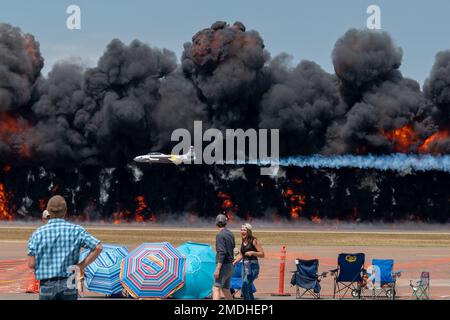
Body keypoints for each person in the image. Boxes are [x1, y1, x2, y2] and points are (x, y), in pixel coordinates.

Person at [27, 195, 103, 300]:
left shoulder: (37, 234)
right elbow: (98, 247)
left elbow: (31, 264)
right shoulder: (77, 230)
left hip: (46, 285)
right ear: (65, 211)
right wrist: (81, 266)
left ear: (48, 212)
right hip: (69, 283)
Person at [233, 223, 264, 300]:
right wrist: (234, 263)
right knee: (249, 288)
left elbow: (262, 254)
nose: (242, 231)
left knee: (245, 286)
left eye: (244, 230)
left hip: (253, 266)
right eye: (241, 230)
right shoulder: (243, 241)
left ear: (249, 231)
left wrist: (252, 252)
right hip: (245, 267)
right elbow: (241, 254)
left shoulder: (254, 241)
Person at [213, 214, 235, 300]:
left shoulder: (220, 235)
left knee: (216, 288)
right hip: (230, 265)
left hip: (223, 266)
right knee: (226, 289)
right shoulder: (230, 234)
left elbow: (221, 252)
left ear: (216, 224)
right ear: (226, 223)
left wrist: (218, 269)